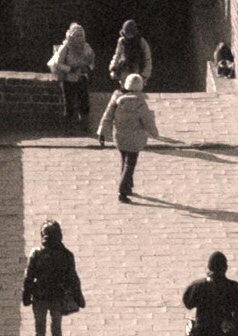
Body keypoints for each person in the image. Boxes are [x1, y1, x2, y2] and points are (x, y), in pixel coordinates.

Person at [22, 219, 85, 336]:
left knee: (39, 332)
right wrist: (79, 298)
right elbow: (73, 279)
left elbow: (28, 278)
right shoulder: (66, 255)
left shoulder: (36, 254)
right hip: (57, 298)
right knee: (56, 331)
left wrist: (26, 296)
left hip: (39, 298)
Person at [96, 73, 158, 203]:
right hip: (135, 139)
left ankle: (128, 186)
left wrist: (101, 131)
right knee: (130, 164)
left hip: (119, 136)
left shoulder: (116, 98)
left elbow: (107, 115)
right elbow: (148, 120)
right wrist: (155, 133)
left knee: (124, 161)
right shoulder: (140, 103)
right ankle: (122, 190)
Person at [49, 23, 94, 126]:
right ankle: (69, 126)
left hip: (82, 78)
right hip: (68, 79)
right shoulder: (66, 47)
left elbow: (92, 62)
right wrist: (70, 69)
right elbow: (57, 63)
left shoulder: (86, 47)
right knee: (69, 103)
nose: (79, 38)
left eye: (81, 35)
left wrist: (88, 67)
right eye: (77, 35)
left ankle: (84, 124)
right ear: (71, 36)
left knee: (84, 102)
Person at [109, 19, 152, 88]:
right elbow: (117, 55)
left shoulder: (141, 42)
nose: (128, 36)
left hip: (137, 69)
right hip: (124, 68)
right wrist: (113, 68)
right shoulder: (121, 41)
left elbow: (147, 59)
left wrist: (145, 75)